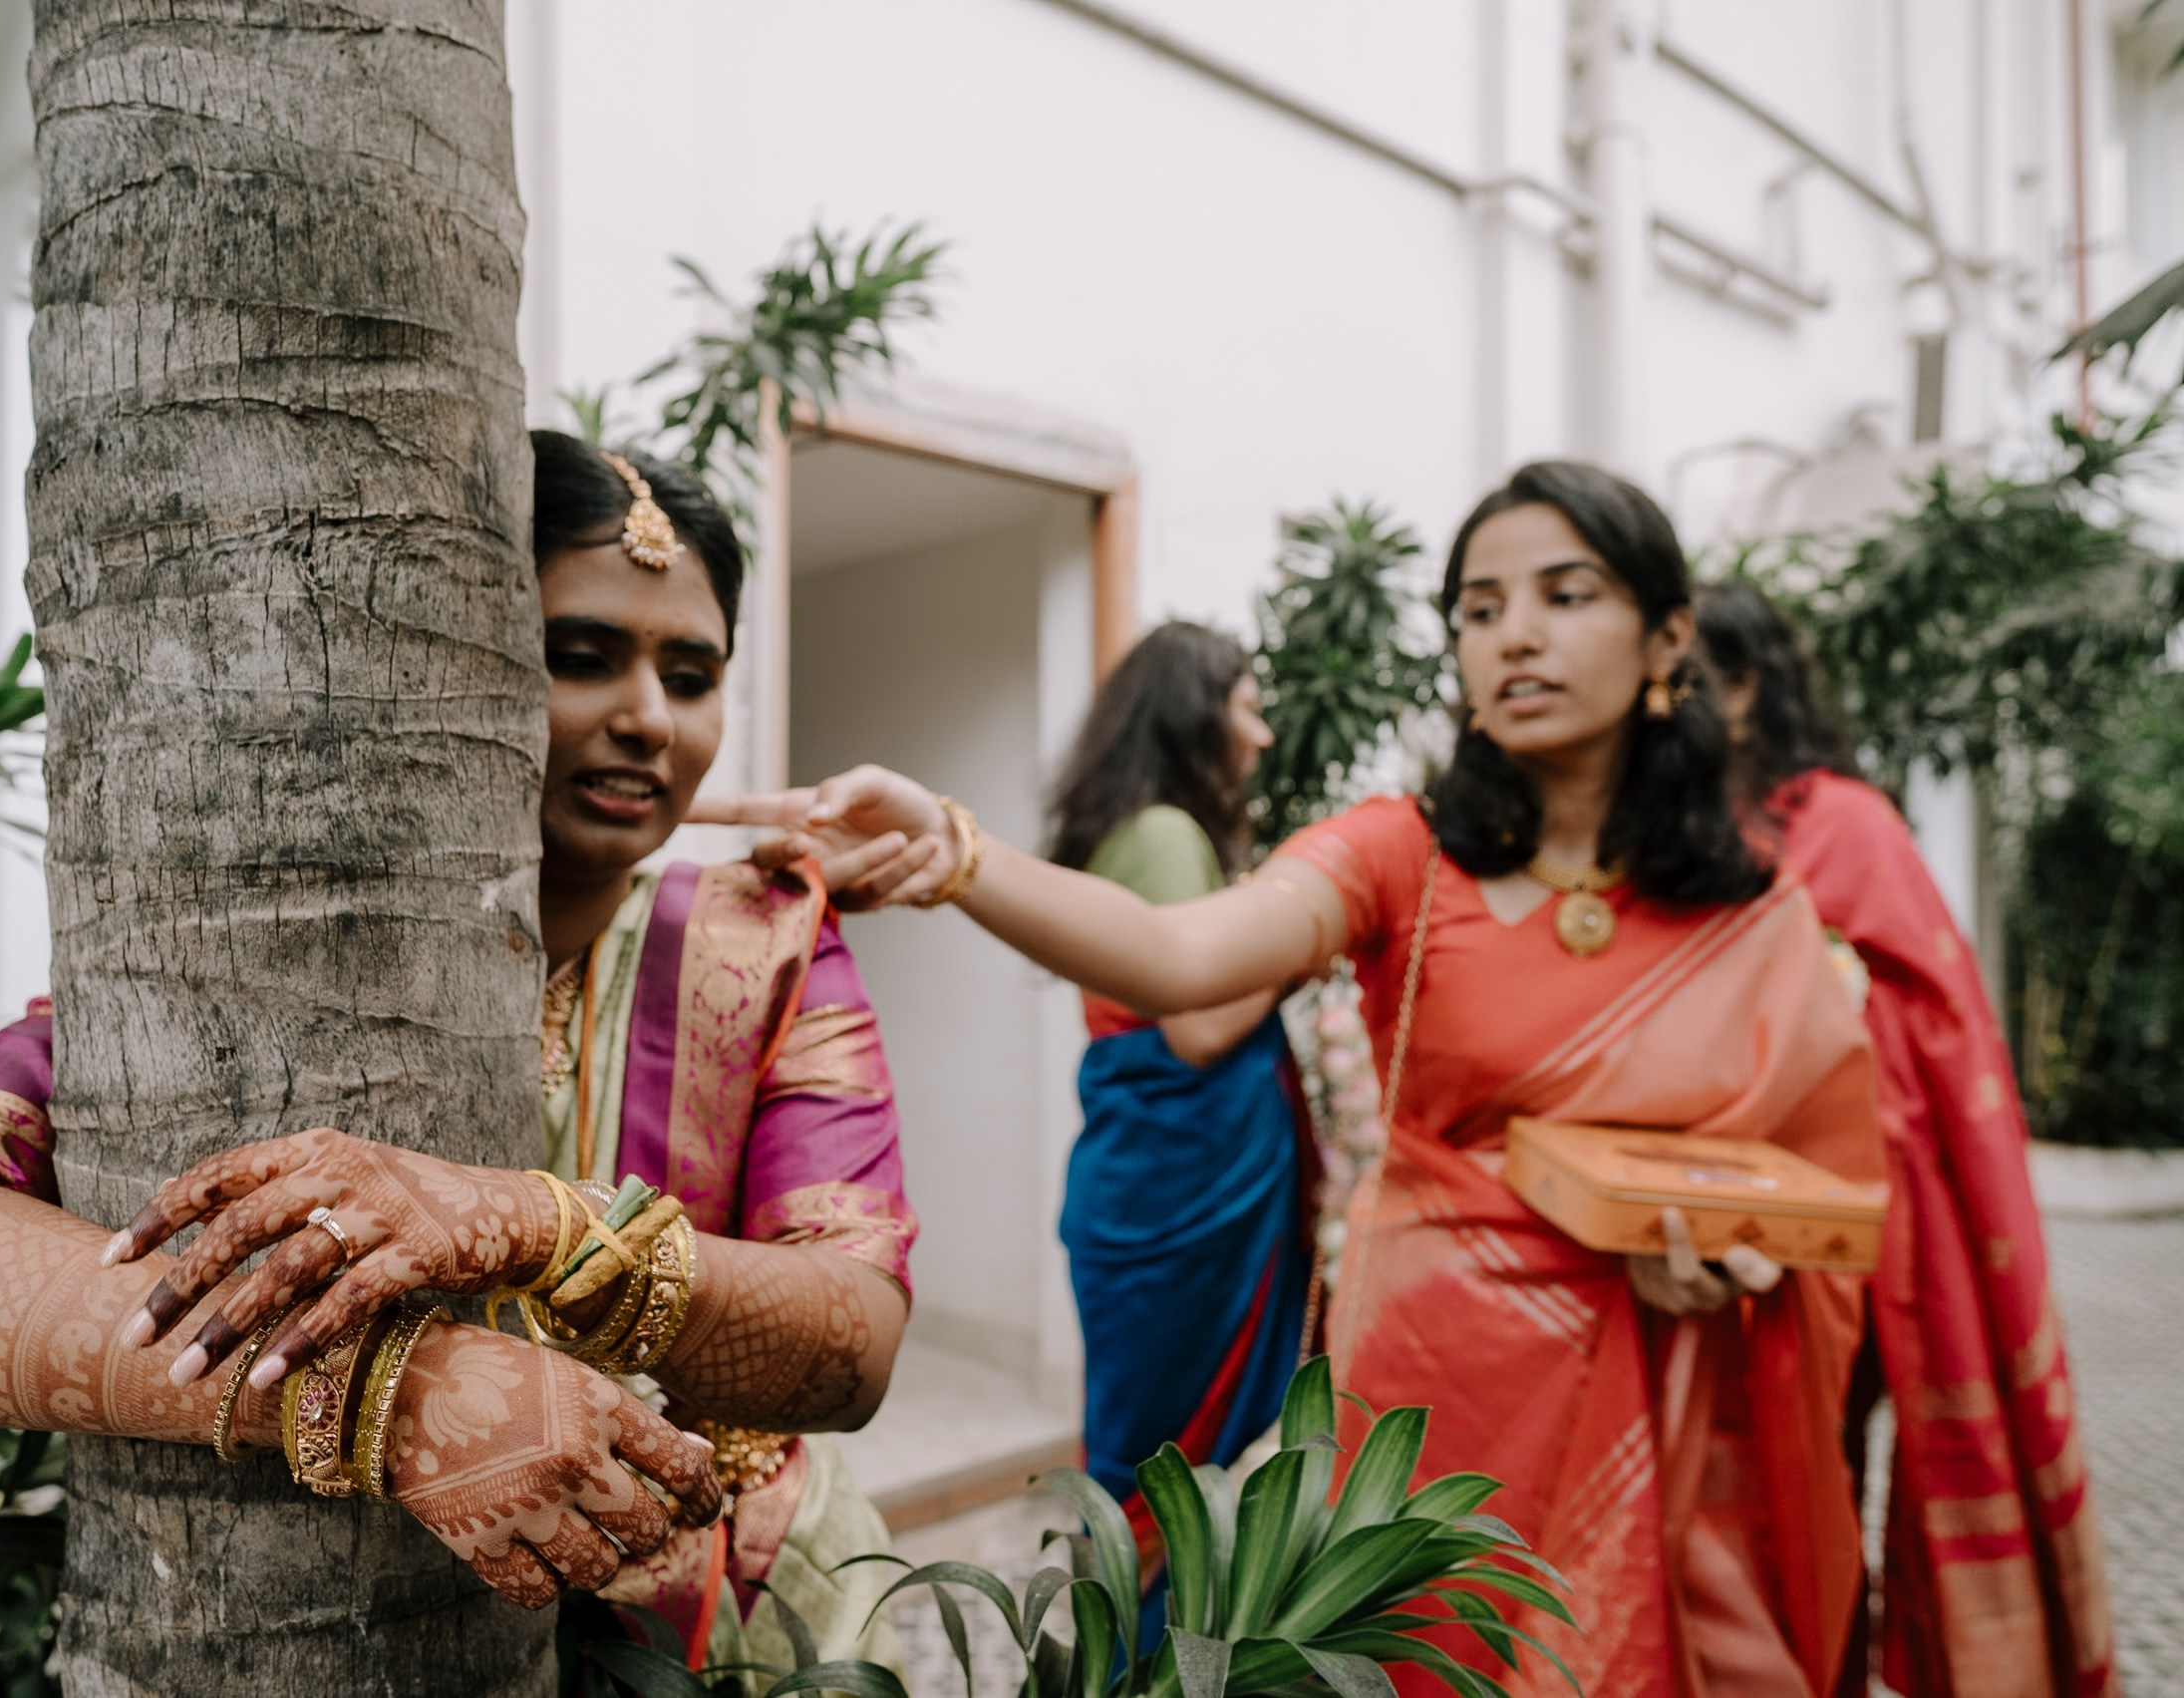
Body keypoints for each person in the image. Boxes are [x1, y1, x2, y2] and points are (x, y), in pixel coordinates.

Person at [698, 462, 1887, 1697]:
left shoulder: (1750, 913)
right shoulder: (1401, 850)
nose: (1515, 635)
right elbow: (1176, 954)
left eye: (1564, 593)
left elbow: (1811, 1174)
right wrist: (957, 850)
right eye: (1479, 608)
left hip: (1674, 1404)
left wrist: (1735, 1256)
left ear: (1668, 634)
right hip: (1440, 1392)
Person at [0, 432, 919, 1674]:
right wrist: (395, 1390)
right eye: (576, 657)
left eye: (691, 674)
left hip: (744, 1620)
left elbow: (852, 1338)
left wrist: (530, 1222)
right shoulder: (258, 937)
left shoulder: (764, 936)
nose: (646, 716)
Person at [1698, 581, 2116, 1696]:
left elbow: (1926, 1011)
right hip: (1699, 1208)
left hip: (1852, 1217)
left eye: (1689, 674)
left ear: (1743, 686)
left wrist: (1805, 994)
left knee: (1820, 1472)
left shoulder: (1842, 820)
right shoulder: (1668, 822)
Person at [1040, 622, 1308, 1624]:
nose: (1264, 733)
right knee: (1170, 1472)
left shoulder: (1138, 828)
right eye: (1248, 704)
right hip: (1182, 1200)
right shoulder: (1164, 833)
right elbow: (1197, 1027)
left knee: (1156, 1461)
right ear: (1199, 714)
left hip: (1166, 1182)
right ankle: (1146, 1660)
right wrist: (1304, 928)